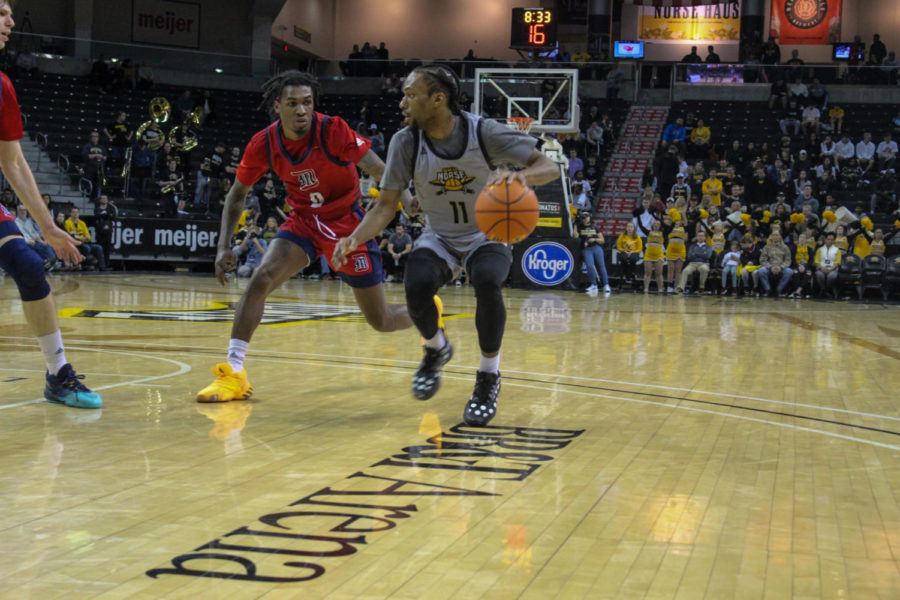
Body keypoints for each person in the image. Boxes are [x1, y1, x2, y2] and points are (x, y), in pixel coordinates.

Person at [333, 64, 559, 426]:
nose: (403, 102)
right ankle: (436, 348)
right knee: (416, 284)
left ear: (438, 100)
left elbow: (549, 167)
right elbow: (387, 205)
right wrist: (354, 238)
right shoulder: (404, 142)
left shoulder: (483, 131)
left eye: (411, 94)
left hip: (487, 232)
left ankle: (488, 377)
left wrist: (520, 176)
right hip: (439, 234)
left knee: (487, 281)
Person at [196, 71, 414, 404]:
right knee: (261, 278)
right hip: (305, 222)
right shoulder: (264, 143)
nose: (301, 110)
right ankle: (234, 372)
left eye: (307, 103)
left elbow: (380, 170)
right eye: (293, 103)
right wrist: (223, 245)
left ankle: (427, 310)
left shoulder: (332, 130)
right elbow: (237, 194)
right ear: (277, 106)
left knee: (381, 321)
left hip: (348, 225)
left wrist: (408, 198)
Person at [0, 1, 100, 408]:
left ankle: (58, 374)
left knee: (27, 264)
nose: (10, 21)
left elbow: (12, 161)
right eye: (2, 11)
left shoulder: (2, 86)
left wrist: (47, 225)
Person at [576, 211, 610, 294]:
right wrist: (575, 225)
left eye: (587, 216)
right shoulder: (580, 227)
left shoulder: (594, 227)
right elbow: (575, 236)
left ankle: (606, 285)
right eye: (584, 217)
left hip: (596, 247)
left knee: (601, 266)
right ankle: (594, 285)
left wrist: (594, 239)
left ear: (590, 217)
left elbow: (602, 240)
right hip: (586, 249)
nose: (585, 218)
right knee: (590, 266)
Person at [14, 202, 56, 269]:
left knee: (46, 244)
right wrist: (28, 241)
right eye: (20, 210)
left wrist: (42, 241)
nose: (23, 212)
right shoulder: (16, 222)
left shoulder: (28, 221)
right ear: (17, 211)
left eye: (24, 210)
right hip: (25, 242)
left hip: (34, 241)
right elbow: (20, 235)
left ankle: (50, 261)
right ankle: (46, 262)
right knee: (35, 246)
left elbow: (35, 234)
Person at [756, 230, 794, 297]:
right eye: (773, 235)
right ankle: (767, 289)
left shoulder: (785, 247)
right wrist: (770, 267)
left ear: (780, 237)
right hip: (769, 267)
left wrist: (781, 267)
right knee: (761, 271)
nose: (775, 237)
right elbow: (762, 260)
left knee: (789, 271)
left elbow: (788, 260)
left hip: (781, 267)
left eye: (777, 235)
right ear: (771, 236)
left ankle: (779, 290)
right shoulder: (767, 247)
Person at [814, 232, 841, 297]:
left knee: (832, 276)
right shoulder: (820, 250)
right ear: (825, 240)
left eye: (832, 240)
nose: (830, 241)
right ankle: (823, 289)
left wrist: (830, 269)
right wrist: (821, 268)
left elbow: (837, 262)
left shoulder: (837, 250)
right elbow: (817, 261)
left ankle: (827, 289)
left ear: (834, 241)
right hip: (821, 268)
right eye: (828, 239)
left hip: (832, 269)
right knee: (819, 274)